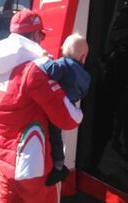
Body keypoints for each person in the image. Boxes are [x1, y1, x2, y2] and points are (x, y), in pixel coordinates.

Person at [0, 9, 84, 203]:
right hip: (30, 167)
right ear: (34, 35)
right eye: (41, 34)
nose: (42, 39)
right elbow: (70, 119)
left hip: (3, 161)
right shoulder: (34, 70)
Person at [42, 33, 91, 186]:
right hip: (68, 109)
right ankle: (58, 165)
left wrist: (45, 57)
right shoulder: (86, 76)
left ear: (63, 50)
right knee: (57, 136)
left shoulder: (62, 64)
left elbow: (47, 69)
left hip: (55, 109)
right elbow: (83, 92)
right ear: (83, 57)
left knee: (51, 136)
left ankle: (57, 167)